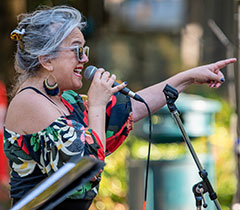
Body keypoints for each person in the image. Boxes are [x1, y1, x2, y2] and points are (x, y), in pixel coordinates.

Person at [3, 5, 236, 210]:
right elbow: (86, 167)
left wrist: (187, 78)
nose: (84, 60)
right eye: (76, 50)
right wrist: (96, 103)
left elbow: (129, 109)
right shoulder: (29, 102)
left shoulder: (67, 101)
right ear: (46, 59)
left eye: (84, 50)